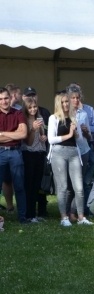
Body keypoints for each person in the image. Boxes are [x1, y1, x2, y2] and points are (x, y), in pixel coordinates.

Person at [49, 91, 93, 227]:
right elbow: (51, 139)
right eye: (62, 102)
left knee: (78, 187)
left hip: (74, 152)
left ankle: (81, 217)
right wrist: (69, 135)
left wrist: (78, 132)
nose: (65, 104)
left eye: (67, 101)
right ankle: (64, 217)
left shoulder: (74, 118)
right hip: (58, 152)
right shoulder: (54, 118)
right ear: (58, 104)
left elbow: (78, 138)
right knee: (62, 186)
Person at [0, 86, 29, 223]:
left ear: (10, 98)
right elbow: (18, 134)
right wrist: (14, 134)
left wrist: (3, 134)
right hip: (0, 152)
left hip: (15, 152)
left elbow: (23, 134)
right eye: (1, 99)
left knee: (19, 185)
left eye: (6, 98)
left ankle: (22, 217)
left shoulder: (18, 113)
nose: (4, 101)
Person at [21, 96, 48, 220]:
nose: (33, 109)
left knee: (37, 185)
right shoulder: (24, 120)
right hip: (29, 154)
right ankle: (28, 214)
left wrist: (44, 137)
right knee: (29, 185)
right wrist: (33, 129)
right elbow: (29, 142)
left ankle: (34, 214)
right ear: (26, 109)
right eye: (30, 107)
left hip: (40, 153)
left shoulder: (40, 118)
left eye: (35, 107)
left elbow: (42, 136)